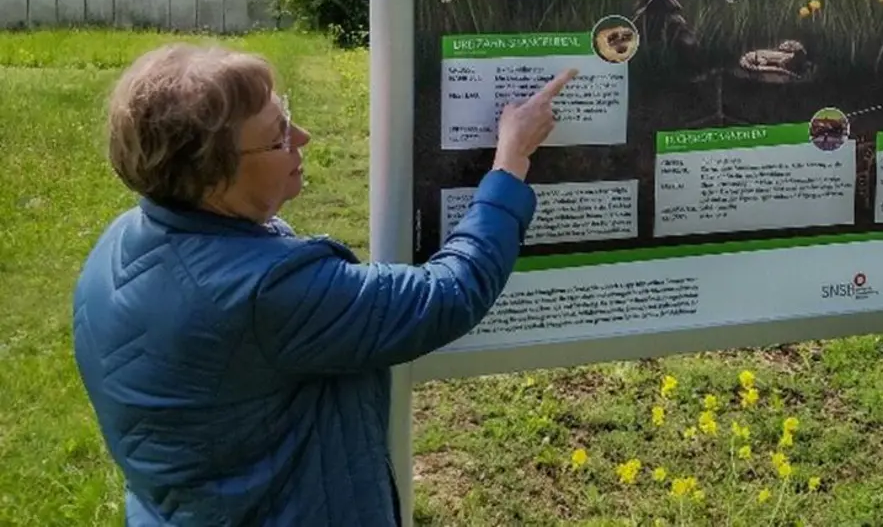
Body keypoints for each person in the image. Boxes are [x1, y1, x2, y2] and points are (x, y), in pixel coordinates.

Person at [71, 43, 577, 526]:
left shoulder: (122, 241)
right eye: (278, 135)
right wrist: (510, 162)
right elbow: (445, 295)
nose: (304, 137)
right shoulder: (264, 292)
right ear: (212, 176)